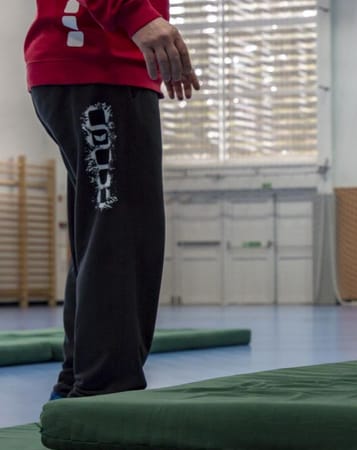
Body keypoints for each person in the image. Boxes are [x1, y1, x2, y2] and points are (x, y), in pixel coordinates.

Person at [26, 0, 200, 399]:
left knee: (102, 236)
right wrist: (135, 14)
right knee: (121, 238)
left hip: (95, 66)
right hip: (97, 62)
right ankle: (103, 395)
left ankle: (79, 386)